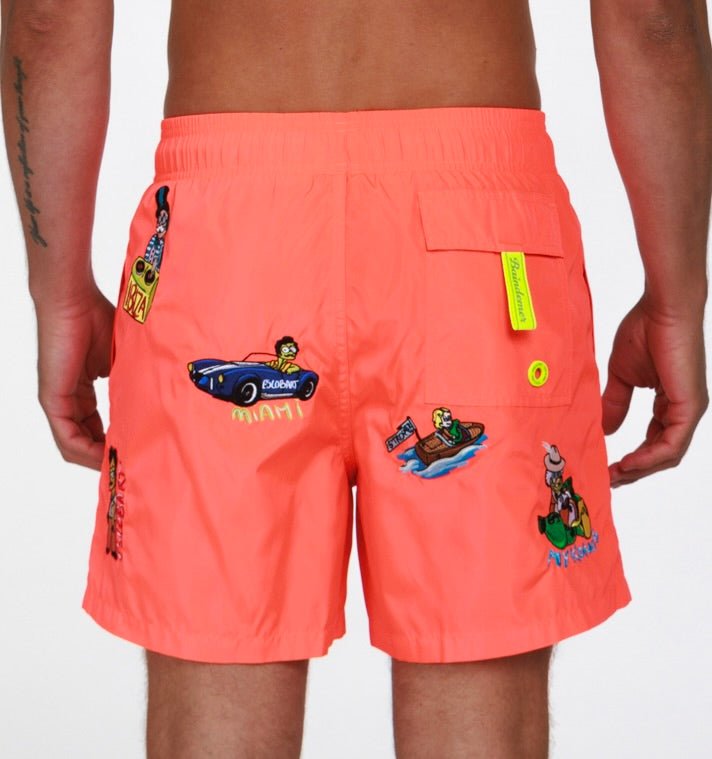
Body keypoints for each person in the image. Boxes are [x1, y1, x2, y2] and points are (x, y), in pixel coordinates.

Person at [1, 1, 710, 757]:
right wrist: (676, 301)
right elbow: (653, 17)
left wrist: (59, 292)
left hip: (228, 238)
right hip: (476, 238)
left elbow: (48, 14)